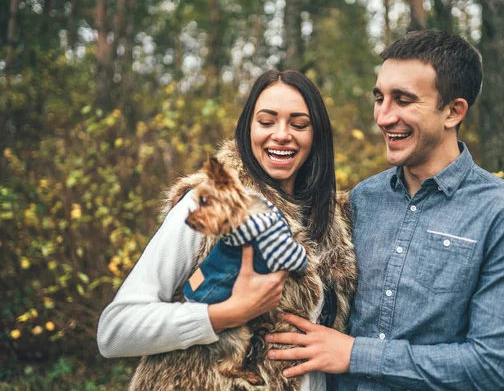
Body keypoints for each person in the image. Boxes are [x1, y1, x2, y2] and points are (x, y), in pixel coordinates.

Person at [266, 30, 504, 390]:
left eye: (403, 100)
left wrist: (356, 354)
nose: (382, 116)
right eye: (379, 98)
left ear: (453, 111)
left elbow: (489, 366)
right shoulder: (361, 200)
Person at [97, 70, 356, 391]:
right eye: (266, 121)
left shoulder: (333, 224)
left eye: (299, 124)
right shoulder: (212, 204)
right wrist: (226, 314)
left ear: (316, 136)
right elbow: (115, 332)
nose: (282, 134)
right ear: (247, 129)